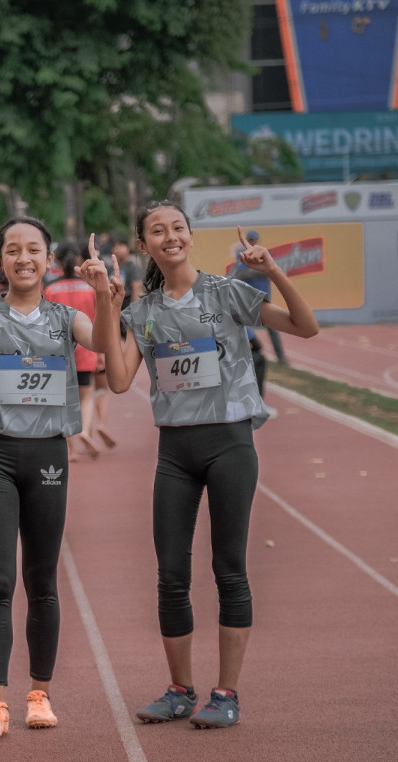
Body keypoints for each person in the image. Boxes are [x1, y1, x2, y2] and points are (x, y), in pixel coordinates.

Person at [99, 201, 317, 729]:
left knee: (229, 568)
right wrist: (107, 306)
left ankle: (227, 694)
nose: (170, 236)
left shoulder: (227, 292)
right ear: (145, 244)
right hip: (175, 452)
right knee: (171, 574)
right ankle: (179, 691)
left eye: (177, 227)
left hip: (229, 445)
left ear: (190, 235)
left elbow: (305, 327)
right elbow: (119, 381)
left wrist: (272, 271)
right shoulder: (142, 312)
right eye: (158, 231)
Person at [0, 223, 111, 740]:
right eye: (13, 250)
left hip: (48, 453)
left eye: (34, 250)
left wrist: (104, 293)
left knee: (42, 579)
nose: (24, 258)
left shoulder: (65, 317)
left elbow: (102, 343)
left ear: (49, 259)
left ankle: (39, 694)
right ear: (0, 260)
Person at [43, 241, 101, 461]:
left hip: (58, 352)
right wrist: (101, 353)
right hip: (86, 349)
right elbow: (98, 320)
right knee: (86, 395)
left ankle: (70, 449)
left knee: (61, 401)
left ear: (56, 260)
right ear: (78, 259)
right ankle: (84, 430)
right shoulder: (89, 288)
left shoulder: (49, 289)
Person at [235, 230, 288, 367]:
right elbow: (240, 274)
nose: (252, 242)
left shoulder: (264, 253)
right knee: (239, 325)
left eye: (254, 240)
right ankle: (242, 355)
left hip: (263, 299)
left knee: (272, 327)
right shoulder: (242, 255)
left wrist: (253, 270)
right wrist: (257, 270)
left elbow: (265, 271)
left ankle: (280, 356)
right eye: (250, 240)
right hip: (248, 299)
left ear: (258, 240)